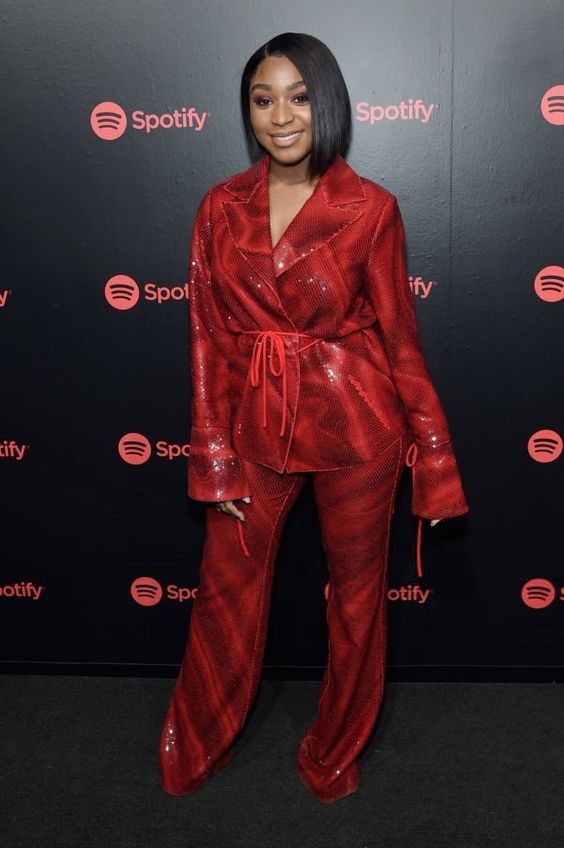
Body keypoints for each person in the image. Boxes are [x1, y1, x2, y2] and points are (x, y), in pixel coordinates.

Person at [158, 31, 469, 803]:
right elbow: (207, 338)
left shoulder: (372, 209)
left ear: (326, 102)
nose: (281, 116)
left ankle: (334, 751)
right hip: (254, 425)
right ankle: (196, 741)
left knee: (358, 604)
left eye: (298, 97)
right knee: (225, 591)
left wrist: (434, 457)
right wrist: (214, 457)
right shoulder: (219, 207)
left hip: (357, 428)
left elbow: (401, 340)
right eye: (262, 99)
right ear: (247, 112)